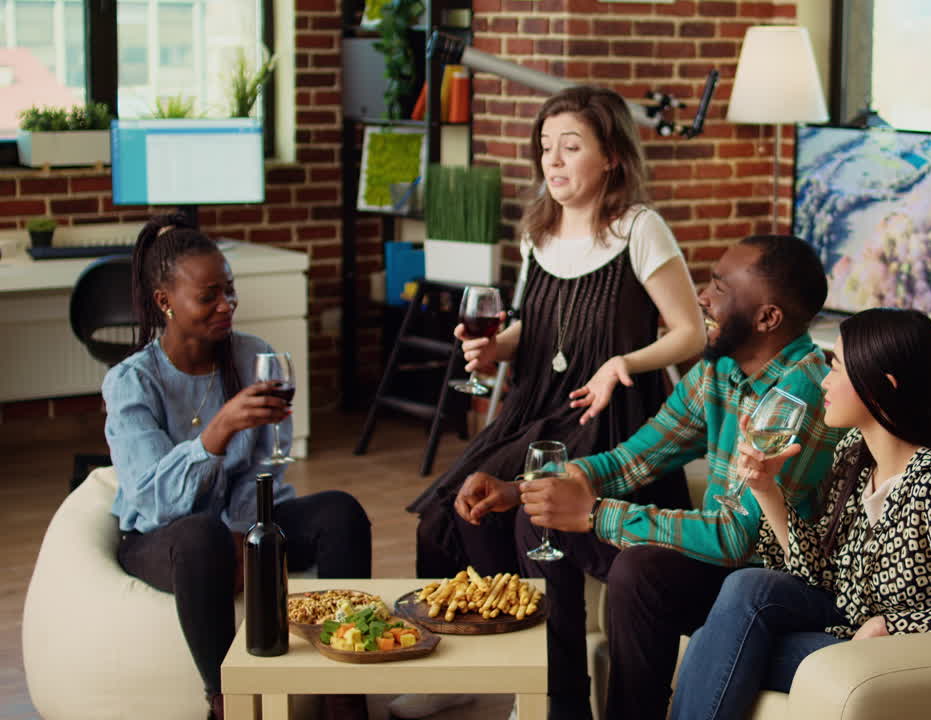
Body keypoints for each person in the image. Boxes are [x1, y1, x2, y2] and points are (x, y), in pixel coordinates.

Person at [398, 85, 704, 719]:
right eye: (546, 148)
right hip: (537, 406)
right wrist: (493, 350)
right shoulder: (536, 230)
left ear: (612, 156)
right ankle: (472, 661)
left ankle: (557, 698)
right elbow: (530, 331)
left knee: (532, 518)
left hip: (608, 417)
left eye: (571, 148)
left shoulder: (638, 228)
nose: (554, 162)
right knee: (453, 509)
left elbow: (690, 332)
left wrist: (625, 361)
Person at [463, 234, 844, 720]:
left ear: (768, 318)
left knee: (641, 572)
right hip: (724, 558)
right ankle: (563, 710)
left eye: (720, 288)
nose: (703, 298)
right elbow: (634, 458)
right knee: (540, 518)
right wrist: (526, 489)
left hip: (769, 582)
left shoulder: (800, 396)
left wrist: (596, 514)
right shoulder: (721, 368)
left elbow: (740, 540)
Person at [668, 308, 931, 720]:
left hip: (901, 655)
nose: (824, 381)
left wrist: (890, 627)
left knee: (710, 645)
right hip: (848, 619)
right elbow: (823, 574)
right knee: (743, 591)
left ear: (883, 386)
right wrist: (766, 490)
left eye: (837, 367)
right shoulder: (854, 455)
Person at [104, 214, 372, 720]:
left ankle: (344, 689)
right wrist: (216, 434)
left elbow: (266, 467)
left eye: (229, 290)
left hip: (240, 526)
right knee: (201, 536)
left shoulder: (255, 358)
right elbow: (149, 498)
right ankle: (226, 699)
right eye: (208, 296)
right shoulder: (132, 382)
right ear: (165, 302)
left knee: (341, 513)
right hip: (165, 538)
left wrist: (246, 535)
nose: (225, 304)